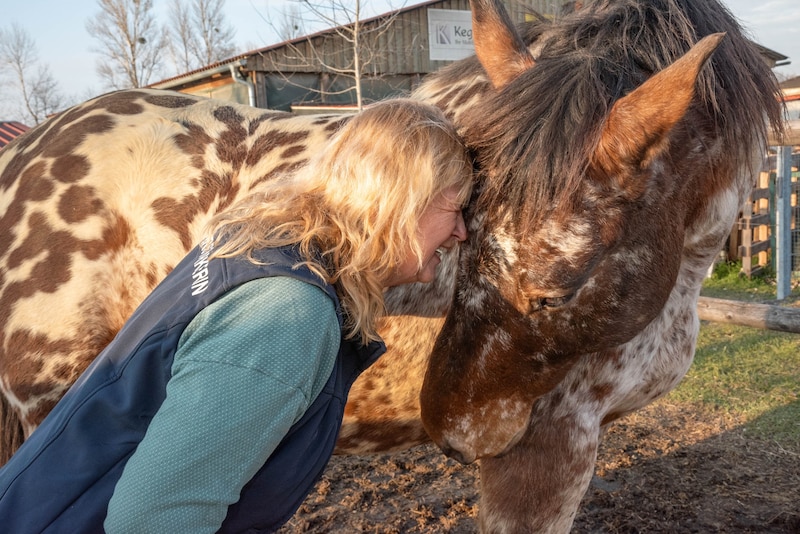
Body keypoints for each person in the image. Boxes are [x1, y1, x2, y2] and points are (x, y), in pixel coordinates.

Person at [0, 98, 473, 533]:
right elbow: (153, 519)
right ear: (397, 201)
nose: (461, 231)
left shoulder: (260, 245)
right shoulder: (288, 313)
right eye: (454, 206)